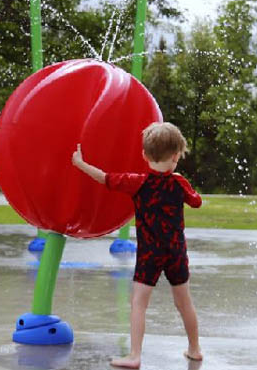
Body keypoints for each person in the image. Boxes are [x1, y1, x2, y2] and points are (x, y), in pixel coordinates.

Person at [71, 122, 203, 368]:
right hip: (176, 253)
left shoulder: (137, 182)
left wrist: (80, 163)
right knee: (184, 302)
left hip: (149, 255)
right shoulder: (178, 183)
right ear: (176, 156)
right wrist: (183, 184)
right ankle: (194, 349)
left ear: (144, 155)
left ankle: (134, 355)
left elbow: (105, 178)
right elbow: (197, 202)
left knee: (139, 304)